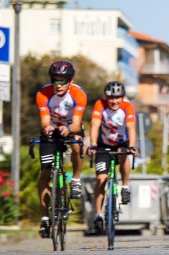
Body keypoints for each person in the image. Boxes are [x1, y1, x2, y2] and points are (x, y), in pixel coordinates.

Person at [35, 60, 87, 238]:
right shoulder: (43, 94)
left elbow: (77, 124)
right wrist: (47, 128)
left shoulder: (79, 94)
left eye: (63, 81)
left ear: (70, 81)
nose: (58, 84)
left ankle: (76, 179)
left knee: (77, 143)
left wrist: (69, 129)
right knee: (45, 173)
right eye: (54, 80)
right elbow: (44, 121)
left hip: (71, 127)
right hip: (51, 130)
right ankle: (44, 218)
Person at [86, 81, 139, 234]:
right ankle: (98, 215)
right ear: (106, 97)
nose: (114, 101)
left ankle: (125, 187)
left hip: (122, 143)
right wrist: (93, 144)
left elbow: (131, 127)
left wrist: (132, 145)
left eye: (117, 98)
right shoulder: (100, 105)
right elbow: (95, 125)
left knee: (124, 153)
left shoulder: (128, 107)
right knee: (101, 179)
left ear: (123, 97)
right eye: (111, 98)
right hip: (103, 145)